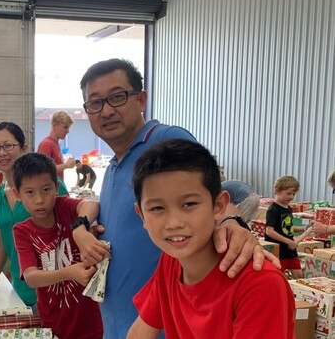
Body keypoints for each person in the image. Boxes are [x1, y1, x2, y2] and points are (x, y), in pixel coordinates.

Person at [73, 58, 274, 337]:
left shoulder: (166, 140)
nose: (106, 111)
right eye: (95, 103)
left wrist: (232, 223)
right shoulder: (112, 168)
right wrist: (81, 229)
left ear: (141, 99)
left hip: (169, 326)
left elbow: (206, 190)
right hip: (126, 321)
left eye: (117, 97)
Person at [126, 139, 294, 339]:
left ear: (218, 206)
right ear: (141, 215)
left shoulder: (260, 283)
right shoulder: (171, 261)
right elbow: (140, 332)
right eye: (157, 208)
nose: (173, 223)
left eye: (189, 204)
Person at [0, 122, 68, 308]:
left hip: (57, 289)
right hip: (21, 290)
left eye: (8, 146)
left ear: (24, 148)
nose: (2, 153)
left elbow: (70, 230)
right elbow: (0, 245)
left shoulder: (51, 188)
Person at [12, 153, 103, 339]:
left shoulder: (65, 208)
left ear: (57, 187)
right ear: (18, 194)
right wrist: (70, 273)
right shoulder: (22, 231)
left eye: (46, 190)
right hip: (54, 323)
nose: (39, 199)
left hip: (91, 321)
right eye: (30, 192)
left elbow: (92, 204)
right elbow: (31, 277)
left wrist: (80, 229)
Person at [265, 175, 303, 279]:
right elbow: (269, 231)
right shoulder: (273, 210)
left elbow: (287, 228)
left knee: (299, 276)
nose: (291, 197)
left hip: (290, 250)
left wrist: (303, 229)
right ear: (276, 191)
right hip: (279, 251)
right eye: (288, 193)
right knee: (279, 277)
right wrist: (288, 241)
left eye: (293, 194)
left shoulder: (288, 208)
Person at [37, 111, 75, 179]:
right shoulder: (46, 145)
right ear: (54, 126)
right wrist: (66, 165)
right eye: (65, 127)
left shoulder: (55, 143)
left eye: (68, 128)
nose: (68, 131)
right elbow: (44, 171)